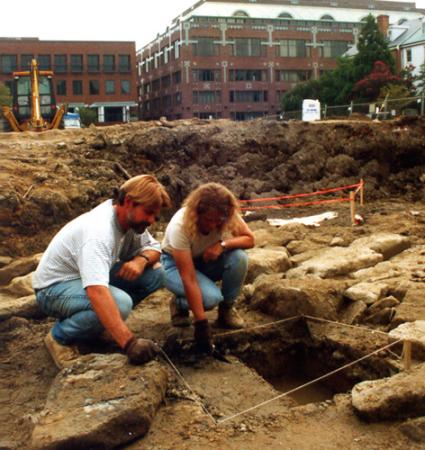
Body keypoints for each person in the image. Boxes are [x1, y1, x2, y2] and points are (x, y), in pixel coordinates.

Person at [33, 175, 171, 369]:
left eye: (154, 217)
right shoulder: (99, 232)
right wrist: (129, 343)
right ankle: (60, 337)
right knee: (121, 303)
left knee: (155, 274)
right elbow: (96, 291)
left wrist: (141, 260)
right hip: (52, 289)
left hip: (82, 281)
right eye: (148, 213)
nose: (150, 221)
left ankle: (100, 324)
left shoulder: (129, 221)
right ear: (129, 202)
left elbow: (155, 249)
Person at [161, 182, 255, 353]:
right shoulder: (180, 226)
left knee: (239, 257)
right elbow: (188, 277)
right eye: (208, 220)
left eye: (218, 220)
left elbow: (249, 239)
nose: (213, 225)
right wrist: (201, 325)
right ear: (197, 213)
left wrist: (223, 244)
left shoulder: (227, 214)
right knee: (210, 299)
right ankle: (180, 304)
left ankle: (226, 310)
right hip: (173, 265)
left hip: (205, 261)